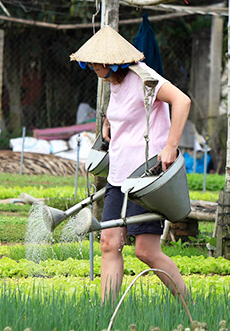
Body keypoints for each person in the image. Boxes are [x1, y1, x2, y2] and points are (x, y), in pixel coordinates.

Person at [70, 26, 191, 302]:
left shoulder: (145, 78)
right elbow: (126, 111)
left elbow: (182, 101)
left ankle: (189, 305)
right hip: (118, 176)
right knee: (109, 243)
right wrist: (107, 121)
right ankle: (106, 313)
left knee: (146, 251)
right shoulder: (113, 84)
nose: (92, 67)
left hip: (145, 177)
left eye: (96, 64)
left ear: (113, 62)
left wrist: (170, 146)